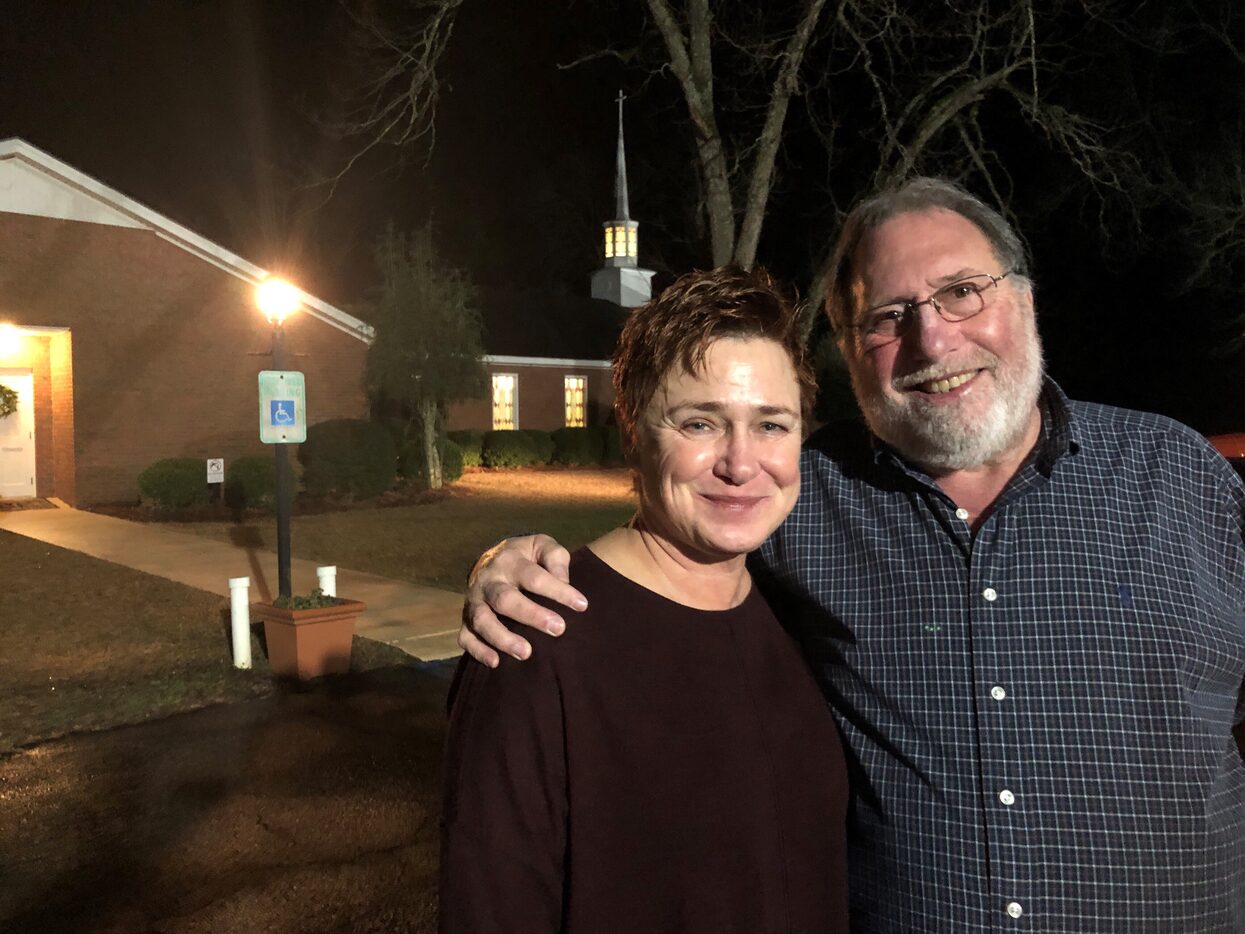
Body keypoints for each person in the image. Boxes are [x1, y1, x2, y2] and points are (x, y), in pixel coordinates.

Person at [458, 177, 1245, 931]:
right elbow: (670, 560)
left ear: (1025, 300)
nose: (930, 337)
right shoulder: (809, 503)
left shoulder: (1180, 480)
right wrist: (508, 562)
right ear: (848, 347)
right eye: (887, 316)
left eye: (961, 292)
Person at [440, 267, 850, 932]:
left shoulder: (797, 618)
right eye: (699, 423)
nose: (740, 463)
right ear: (632, 432)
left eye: (771, 425)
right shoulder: (536, 636)